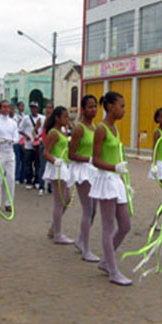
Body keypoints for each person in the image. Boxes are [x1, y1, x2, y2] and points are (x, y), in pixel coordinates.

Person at [90, 91, 133, 286]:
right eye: (121, 106)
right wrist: (114, 167)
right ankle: (112, 270)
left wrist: (123, 179)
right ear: (110, 107)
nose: (124, 110)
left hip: (116, 180)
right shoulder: (101, 129)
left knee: (125, 225)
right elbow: (96, 160)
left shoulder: (114, 129)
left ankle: (107, 260)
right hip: (106, 179)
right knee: (109, 227)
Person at [68, 95, 100, 262]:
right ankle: (86, 249)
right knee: (88, 209)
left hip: (92, 170)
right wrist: (88, 159)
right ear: (83, 109)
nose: (93, 110)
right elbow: (71, 154)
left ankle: (81, 240)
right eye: (90, 107)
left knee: (94, 210)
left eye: (95, 106)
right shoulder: (79, 128)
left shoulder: (94, 127)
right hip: (82, 170)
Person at [43, 106, 74, 244]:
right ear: (57, 118)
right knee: (60, 200)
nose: (67, 120)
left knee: (66, 198)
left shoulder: (62, 132)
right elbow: (46, 152)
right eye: (65, 117)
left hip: (64, 166)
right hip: (57, 168)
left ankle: (54, 228)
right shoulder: (54, 133)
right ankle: (57, 234)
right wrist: (55, 160)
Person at [0, 100, 17, 212]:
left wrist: (11, 141)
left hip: (10, 152)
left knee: (11, 178)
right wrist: (1, 141)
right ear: (0, 109)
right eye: (4, 107)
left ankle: (9, 202)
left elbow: (16, 138)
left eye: (8, 107)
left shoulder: (13, 123)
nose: (6, 109)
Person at [36, 102, 55, 196]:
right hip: (44, 144)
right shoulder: (42, 119)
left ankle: (51, 187)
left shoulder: (55, 120)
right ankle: (41, 186)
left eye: (50, 108)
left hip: (52, 146)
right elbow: (37, 130)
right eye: (47, 108)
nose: (48, 110)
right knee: (42, 167)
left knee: (52, 167)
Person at [13, 101, 26, 184]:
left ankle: (23, 176)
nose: (22, 108)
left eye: (23, 106)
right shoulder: (15, 117)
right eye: (20, 106)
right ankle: (17, 176)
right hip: (17, 140)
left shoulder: (25, 116)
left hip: (24, 140)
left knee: (24, 159)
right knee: (17, 160)